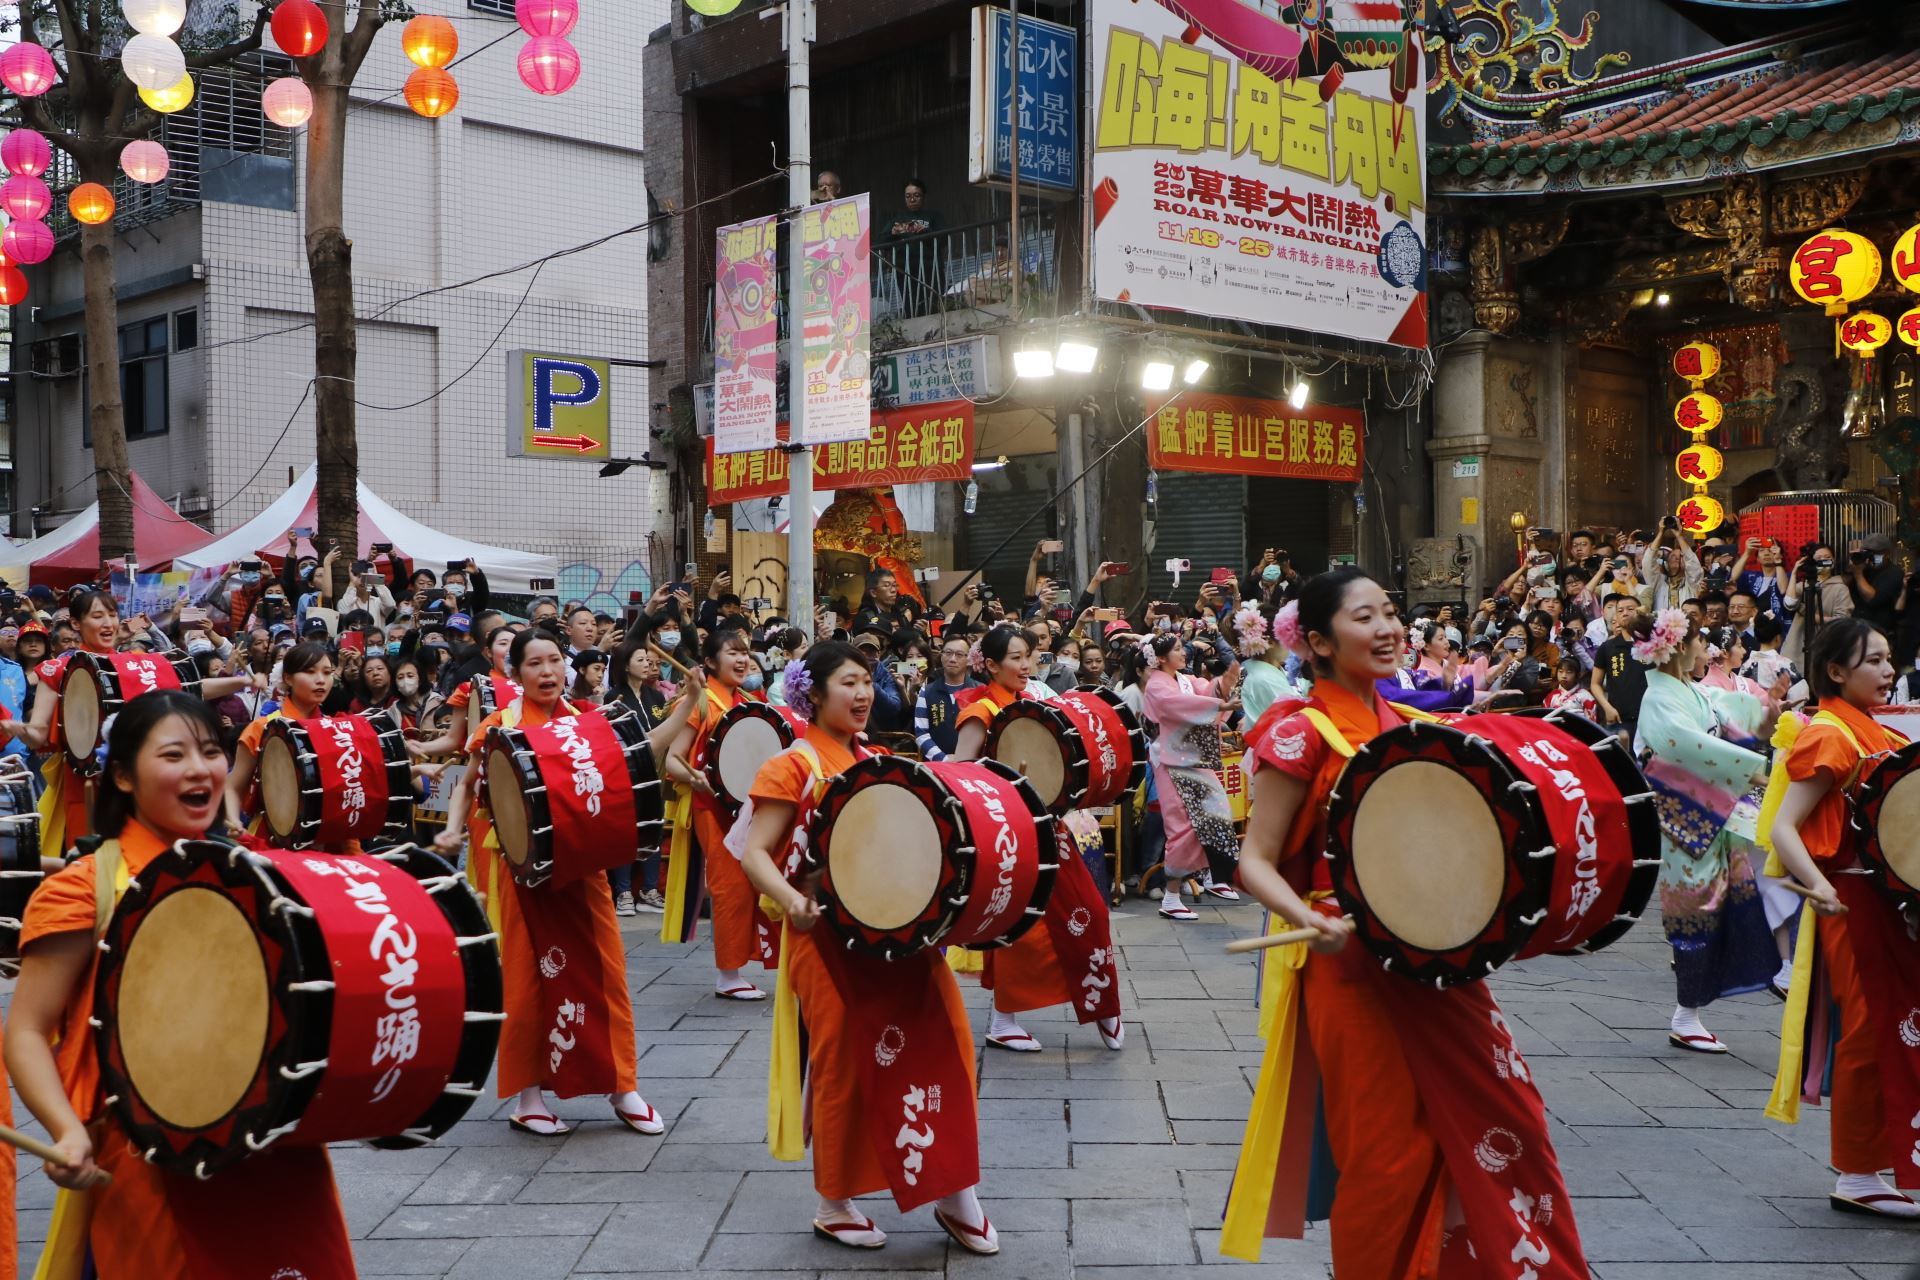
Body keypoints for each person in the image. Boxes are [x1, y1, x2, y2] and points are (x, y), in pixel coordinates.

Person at [1224, 568, 1588, 1275]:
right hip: (1350, 968)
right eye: (1366, 617)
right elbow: (1254, 862)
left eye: (1390, 612)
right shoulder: (1299, 735)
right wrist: (1307, 917)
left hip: (1438, 962)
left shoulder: (1415, 726)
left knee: (1507, 1119)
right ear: (1322, 643)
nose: (1388, 628)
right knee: (1387, 1154)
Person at [7, 691, 357, 1277]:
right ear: (122, 775)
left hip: (270, 1148)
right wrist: (65, 1131)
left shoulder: (257, 874)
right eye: (173, 755)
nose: (201, 769)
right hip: (148, 1155)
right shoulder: (84, 889)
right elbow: (25, 1030)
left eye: (210, 751)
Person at [737, 641, 999, 1255]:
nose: (861, 694)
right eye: (848, 682)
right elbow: (754, 852)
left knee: (948, 1043)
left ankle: (953, 1186)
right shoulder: (792, 766)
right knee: (842, 1066)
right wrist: (792, 901)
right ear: (814, 692)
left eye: (867, 682)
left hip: (901, 933)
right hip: (826, 938)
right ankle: (834, 1200)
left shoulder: (879, 758)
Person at [434, 630, 696, 1136]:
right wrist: (450, 828)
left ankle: (624, 1086)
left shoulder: (585, 720)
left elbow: (641, 753)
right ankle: (527, 1097)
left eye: (555, 660)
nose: (548, 671)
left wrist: (688, 706)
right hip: (521, 869)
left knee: (605, 974)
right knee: (528, 981)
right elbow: (467, 784)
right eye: (535, 663)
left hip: (583, 865)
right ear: (516, 674)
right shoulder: (498, 725)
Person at [1761, 617, 1919, 1219]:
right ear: (1835, 672)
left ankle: (1889, 1158)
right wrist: (1821, 886)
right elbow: (1784, 825)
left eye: (1889, 659)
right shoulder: (1831, 734)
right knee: (1868, 1029)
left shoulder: (1871, 731)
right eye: (1874, 661)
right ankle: (1856, 1172)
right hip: (1853, 902)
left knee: (1898, 1023)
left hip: (1883, 902)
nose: (1889, 670)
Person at [951, 625, 1125, 1053]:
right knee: (1018, 926)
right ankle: (1006, 1018)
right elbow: (958, 775)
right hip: (1008, 832)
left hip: (1046, 826)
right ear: (990, 665)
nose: (1026, 664)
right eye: (1015, 657)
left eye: (1028, 655)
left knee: (1085, 911)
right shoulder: (981, 711)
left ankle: (1099, 1001)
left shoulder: (1030, 702)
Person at [0, 591, 249, 860]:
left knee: (146, 855)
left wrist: (244, 682)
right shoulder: (56, 669)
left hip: (140, 778)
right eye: (97, 616)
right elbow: (37, 735)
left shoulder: (138, 664)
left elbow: (191, 688)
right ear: (75, 623)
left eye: (112, 615)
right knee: (91, 859)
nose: (108, 623)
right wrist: (16, 728)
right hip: (84, 779)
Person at [1633, 608, 1775, 1053]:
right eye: (1697, 642)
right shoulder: (1659, 699)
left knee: (1736, 897)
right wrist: (1753, 767)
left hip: (1709, 814)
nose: (1704, 650)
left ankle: (1779, 969)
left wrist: (1767, 708)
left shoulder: (1687, 691)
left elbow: (1725, 713)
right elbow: (1687, 744)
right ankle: (1685, 1015)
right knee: (1694, 908)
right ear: (1678, 647)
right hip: (1685, 818)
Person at [663, 628, 778, 999]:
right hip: (712, 805)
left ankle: (739, 966)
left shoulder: (744, 698)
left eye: (745, 652)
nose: (743, 659)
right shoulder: (702, 701)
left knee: (751, 884)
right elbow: (672, 759)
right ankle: (728, 976)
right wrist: (694, 778)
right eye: (733, 652)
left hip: (744, 807)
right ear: (710, 662)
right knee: (730, 887)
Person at [1138, 625, 1242, 919]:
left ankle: (1213, 876)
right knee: (1182, 824)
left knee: (1217, 810)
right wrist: (1219, 703)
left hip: (1192, 758)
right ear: (1159, 659)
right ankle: (1171, 897)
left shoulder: (1184, 680)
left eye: (1181, 648)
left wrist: (1229, 675)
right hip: (1170, 761)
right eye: (1176, 650)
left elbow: (1206, 690)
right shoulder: (1158, 686)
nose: (1183, 652)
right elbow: (1179, 706)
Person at [913, 631, 976, 761]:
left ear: (968, 659)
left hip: (972, 766)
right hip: (936, 768)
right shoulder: (927, 691)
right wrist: (943, 759)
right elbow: (921, 734)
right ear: (941, 657)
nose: (953, 659)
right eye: (948, 653)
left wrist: (965, 759)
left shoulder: (980, 691)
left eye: (959, 655)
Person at [1847, 531, 1904, 637]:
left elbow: (1872, 599)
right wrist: (1853, 564)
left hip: (1880, 631)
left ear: (1887, 554)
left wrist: (1858, 574)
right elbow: (1845, 586)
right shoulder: (1863, 567)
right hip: (1858, 629)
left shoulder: (1894, 572)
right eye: (1867, 552)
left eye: (1876, 553)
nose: (1871, 556)